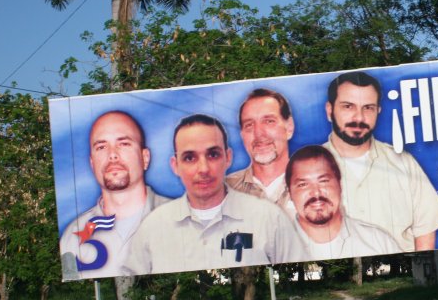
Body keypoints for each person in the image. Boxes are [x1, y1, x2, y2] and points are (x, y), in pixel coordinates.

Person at [123, 114, 305, 275]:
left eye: (212, 155)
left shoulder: (269, 218)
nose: (203, 169)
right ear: (175, 165)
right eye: (189, 158)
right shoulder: (152, 228)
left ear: (228, 158)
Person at [322, 71, 438, 252]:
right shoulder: (305, 168)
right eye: (348, 106)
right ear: (330, 110)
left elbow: (426, 229)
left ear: (378, 111)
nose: (359, 118)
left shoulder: (403, 162)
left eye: (368, 108)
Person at [60, 111, 168, 281]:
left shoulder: (181, 220)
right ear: (92, 163)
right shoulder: (72, 236)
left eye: (123, 144)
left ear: (145, 158)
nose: (112, 155)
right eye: (101, 147)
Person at [286, 145, 400, 260]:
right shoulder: (279, 250)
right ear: (289, 193)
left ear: (339, 184)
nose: (316, 192)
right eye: (303, 185)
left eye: (323, 181)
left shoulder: (379, 243)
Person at [226, 88, 294, 208]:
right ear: (242, 135)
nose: (259, 134)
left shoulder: (316, 184)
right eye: (249, 125)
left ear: (289, 128)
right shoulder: (223, 191)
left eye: (269, 121)